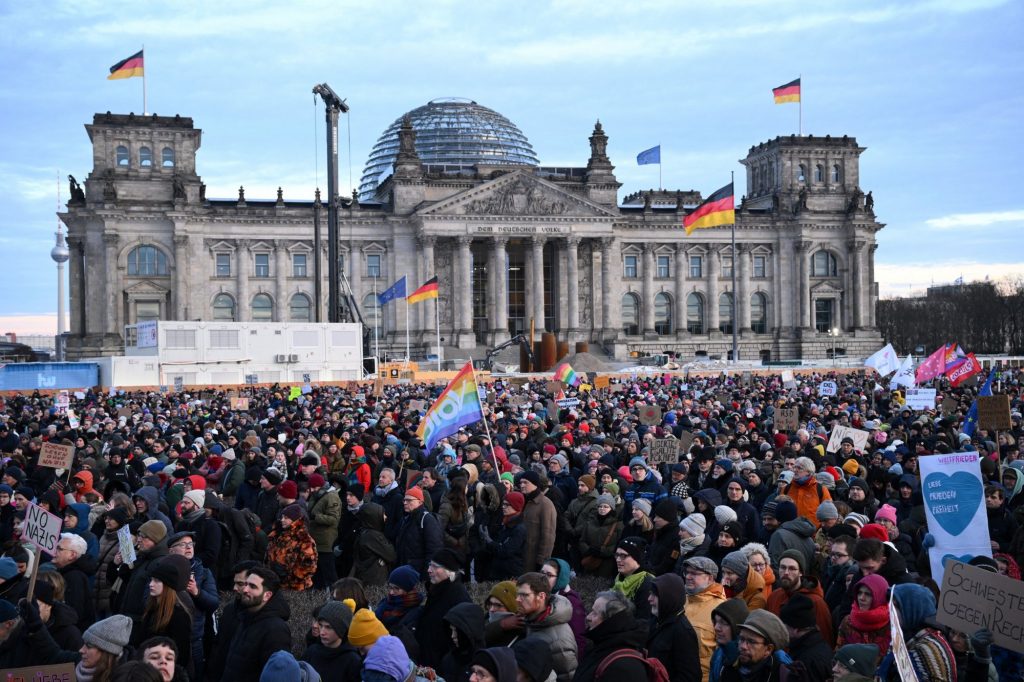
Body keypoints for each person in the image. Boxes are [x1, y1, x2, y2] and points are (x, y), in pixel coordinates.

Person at [213, 565, 292, 682]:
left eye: (252, 586)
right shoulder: (245, 617)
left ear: (267, 595)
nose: (245, 590)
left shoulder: (276, 630)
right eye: (246, 584)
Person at [130, 554, 194, 676]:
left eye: (157, 581)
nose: (151, 584)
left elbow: (181, 655)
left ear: (168, 585)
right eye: (151, 580)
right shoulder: (152, 609)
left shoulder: (179, 616)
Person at [167, 530, 218, 682]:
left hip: (193, 639)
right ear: (171, 550)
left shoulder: (204, 572)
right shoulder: (163, 568)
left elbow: (214, 603)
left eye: (190, 544)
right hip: (166, 636)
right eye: (182, 544)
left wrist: (197, 592)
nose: (188, 547)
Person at [879, 583, 955, 682]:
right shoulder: (903, 636)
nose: (890, 611)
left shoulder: (927, 648)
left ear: (913, 609)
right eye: (890, 605)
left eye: (896, 606)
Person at [572, 590, 650, 681]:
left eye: (595, 613)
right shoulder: (600, 646)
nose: (588, 617)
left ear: (610, 621)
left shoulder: (624, 668)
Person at [516, 571, 578, 681]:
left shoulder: (558, 640)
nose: (518, 599)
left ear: (541, 596)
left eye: (524, 595)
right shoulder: (533, 619)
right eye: (518, 594)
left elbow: (568, 677)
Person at [415, 548, 471, 669]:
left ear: (449, 571)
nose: (429, 570)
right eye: (430, 565)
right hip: (428, 661)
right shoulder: (436, 590)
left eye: (435, 566)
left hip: (440, 665)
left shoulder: (458, 596)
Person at [765, 550, 834, 646]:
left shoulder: (816, 602)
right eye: (783, 567)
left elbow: (825, 640)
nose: (786, 572)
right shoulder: (774, 596)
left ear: (801, 572)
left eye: (792, 569)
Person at [645, 572, 701, 682]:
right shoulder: (656, 620)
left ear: (668, 597)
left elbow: (690, 677)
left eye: (654, 595)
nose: (649, 599)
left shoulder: (683, 631)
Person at [682, 556, 726, 681]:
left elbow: (722, 655)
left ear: (710, 578)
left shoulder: (721, 608)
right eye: (687, 572)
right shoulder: (681, 601)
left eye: (694, 573)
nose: (688, 577)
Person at [721, 609, 790, 682]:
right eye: (741, 639)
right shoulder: (728, 668)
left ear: (768, 649)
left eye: (751, 642)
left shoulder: (779, 676)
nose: (743, 646)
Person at [302, 598, 361, 681]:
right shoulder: (311, 652)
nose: (322, 632)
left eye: (328, 627)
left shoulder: (352, 661)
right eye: (321, 625)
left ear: (341, 629)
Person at [779, 594, 832, 682]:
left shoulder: (808, 661)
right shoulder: (815, 644)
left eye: (784, 626)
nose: (781, 630)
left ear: (796, 629)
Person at [395, 485, 443, 580]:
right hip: (406, 570)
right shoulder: (407, 518)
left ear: (420, 502)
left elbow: (434, 549)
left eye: (409, 500)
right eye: (404, 500)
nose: (405, 503)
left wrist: (425, 575)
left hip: (418, 572)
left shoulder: (427, 519)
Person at [265, 503, 318, 590]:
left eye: (286, 518)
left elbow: (308, 567)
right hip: (273, 582)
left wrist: (288, 576)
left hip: (293, 587)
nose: (282, 520)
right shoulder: (277, 534)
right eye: (282, 517)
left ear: (295, 520)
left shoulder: (304, 540)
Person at [836, 573, 890, 656]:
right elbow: (838, 654)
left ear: (880, 597)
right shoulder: (848, 622)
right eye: (859, 593)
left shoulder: (891, 625)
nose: (861, 598)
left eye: (868, 594)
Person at [51, 532, 97, 627]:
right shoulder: (68, 572)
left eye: (59, 548)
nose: (54, 551)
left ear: (72, 555)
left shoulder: (74, 577)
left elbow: (73, 613)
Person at [479, 491, 527, 580]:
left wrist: (489, 541)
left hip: (510, 574)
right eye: (503, 504)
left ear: (515, 506)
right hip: (501, 571)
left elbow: (506, 551)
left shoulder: (519, 529)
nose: (503, 507)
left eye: (507, 505)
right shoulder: (506, 522)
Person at [577, 493, 621, 578]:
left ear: (611, 508)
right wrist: (588, 549)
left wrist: (602, 552)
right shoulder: (590, 522)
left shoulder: (617, 525)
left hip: (607, 564)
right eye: (600, 506)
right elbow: (582, 540)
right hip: (590, 560)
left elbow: (617, 545)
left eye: (605, 507)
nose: (602, 509)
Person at [611, 536, 654, 622]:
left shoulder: (647, 584)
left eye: (623, 555)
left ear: (637, 557)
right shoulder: (619, 578)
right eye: (617, 555)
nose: (618, 560)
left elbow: (644, 621)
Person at [520, 471, 557, 572]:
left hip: (534, 559)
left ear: (535, 484)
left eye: (525, 482)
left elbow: (548, 536)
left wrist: (542, 561)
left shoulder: (545, 505)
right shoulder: (525, 501)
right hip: (521, 557)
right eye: (521, 483)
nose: (522, 485)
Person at [441, 601, 487, 682]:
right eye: (451, 630)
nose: (452, 636)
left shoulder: (487, 663)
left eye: (457, 631)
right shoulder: (448, 660)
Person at [708, 598, 750, 682]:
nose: (716, 627)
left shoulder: (748, 659)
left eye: (723, 622)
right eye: (715, 622)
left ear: (737, 627)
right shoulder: (719, 653)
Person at [374, 565, 423, 634]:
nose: (391, 592)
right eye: (390, 587)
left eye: (396, 588)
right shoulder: (385, 602)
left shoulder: (414, 612)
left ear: (407, 589)